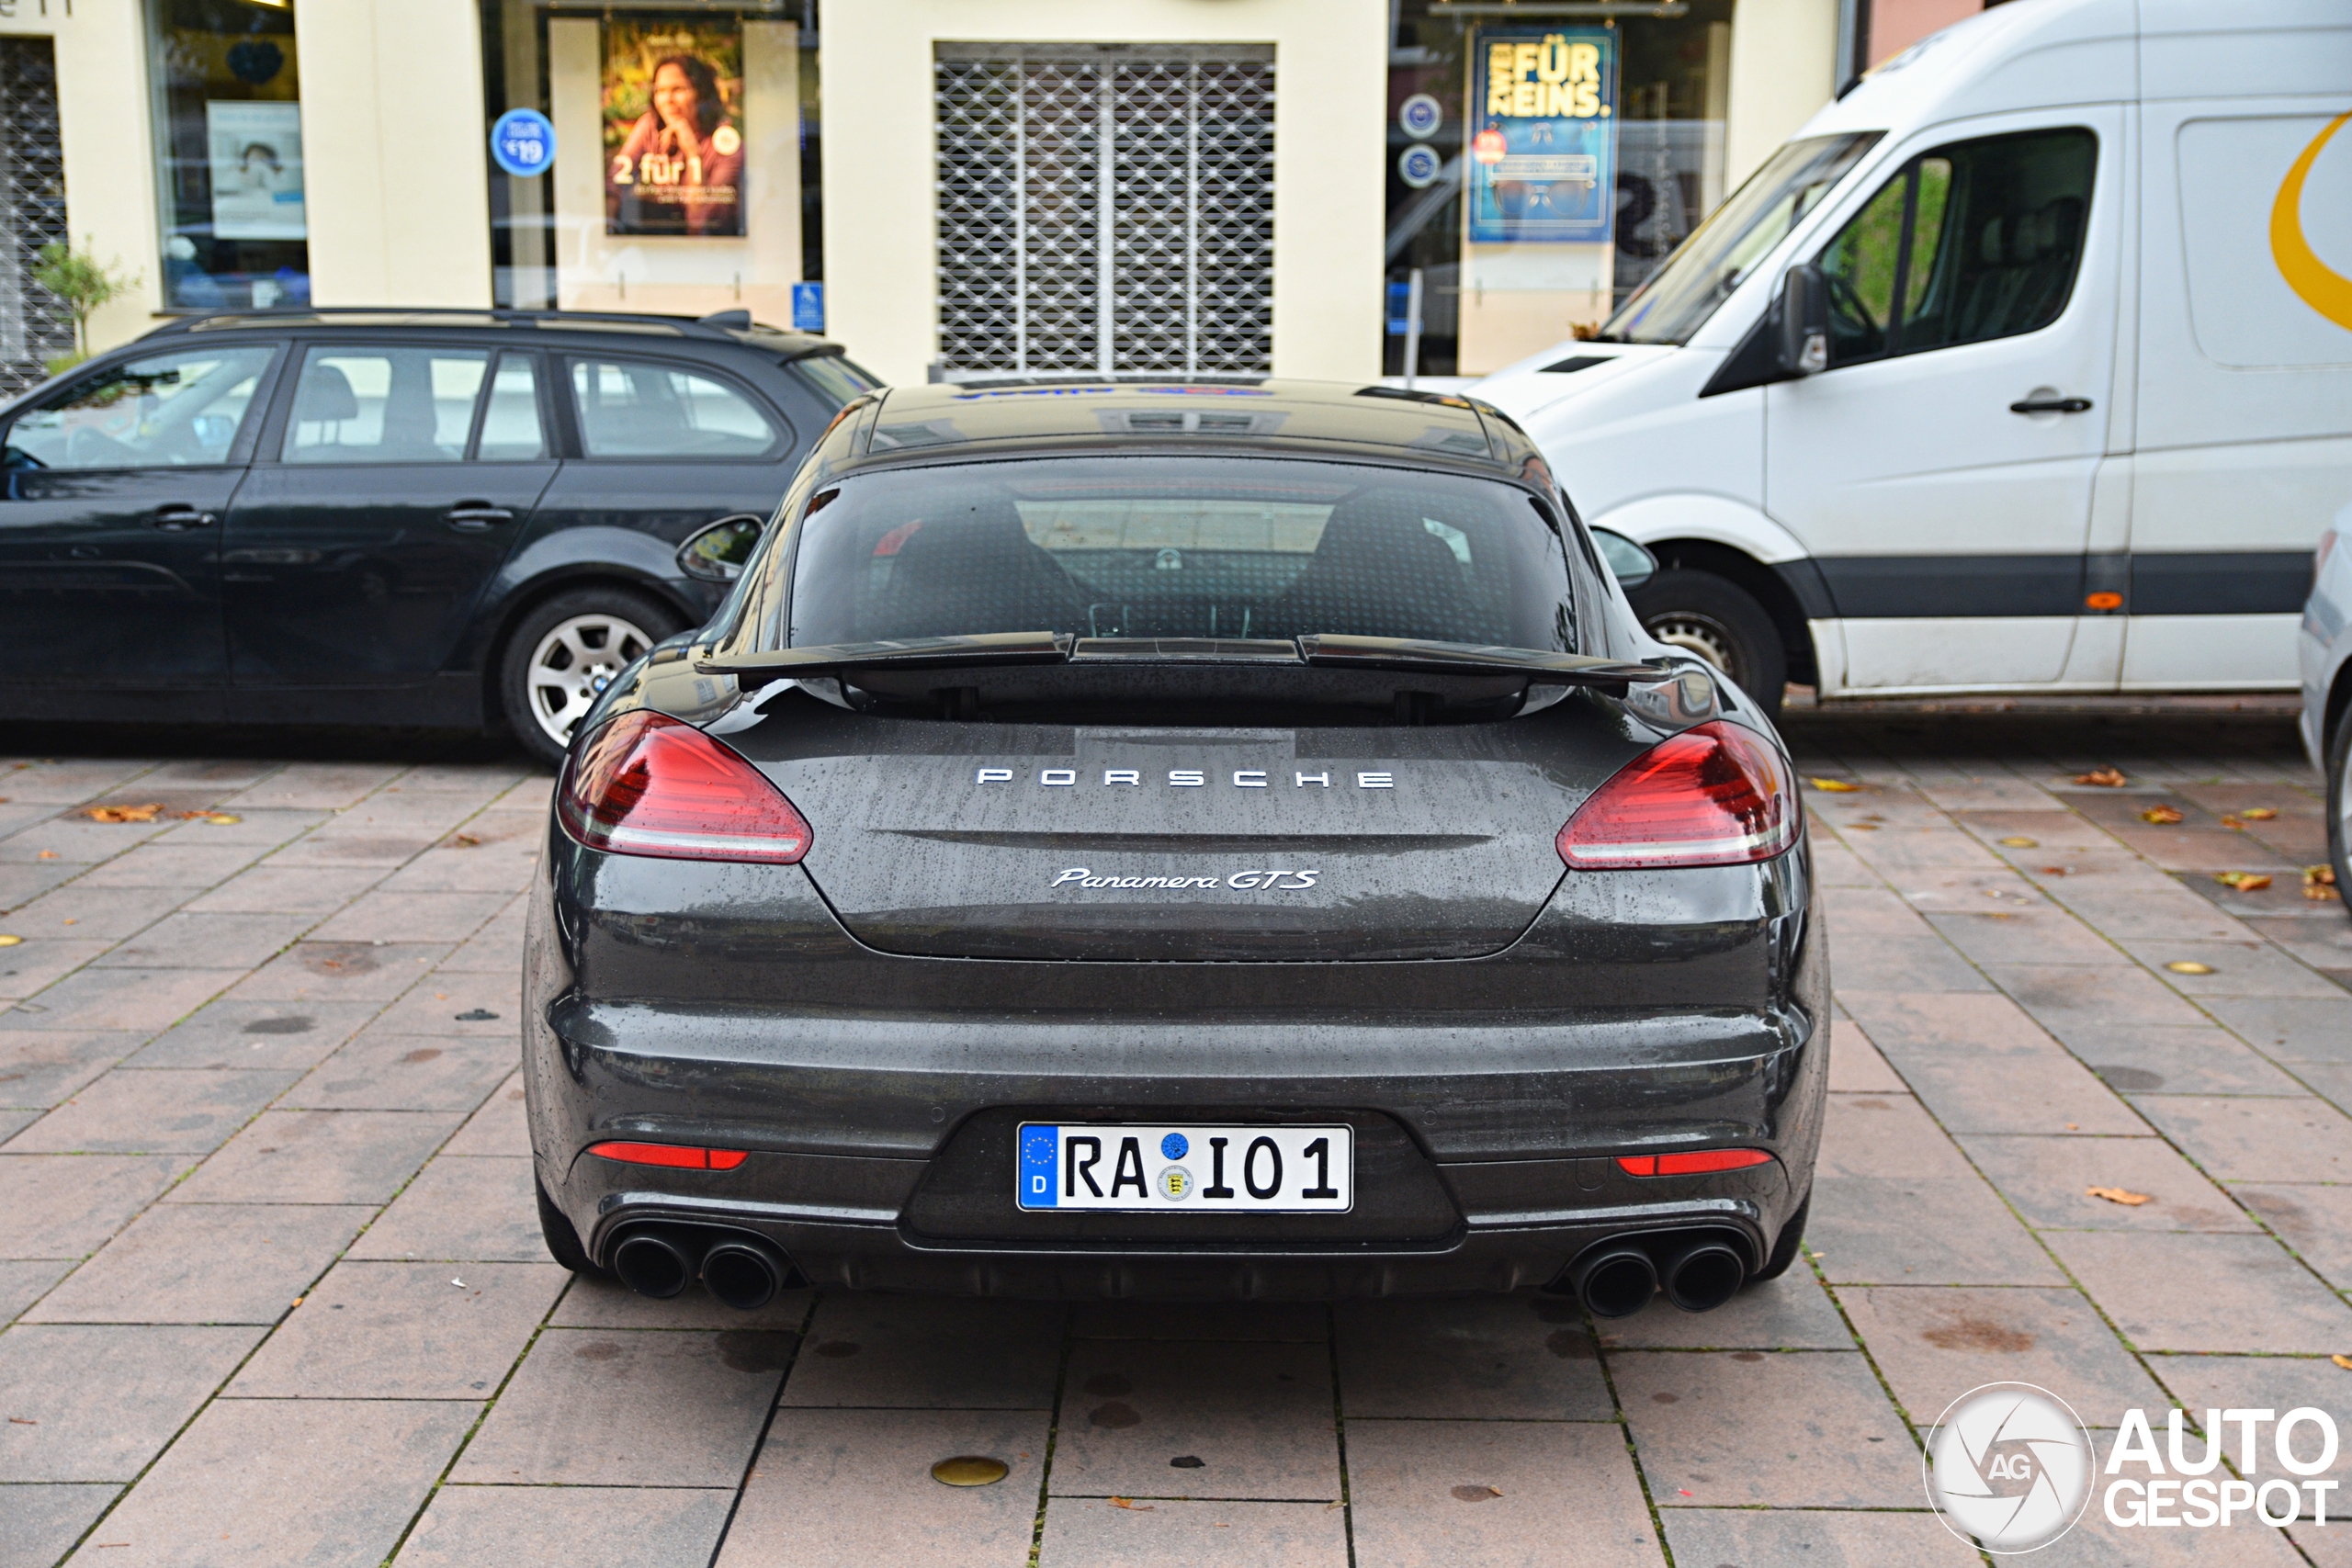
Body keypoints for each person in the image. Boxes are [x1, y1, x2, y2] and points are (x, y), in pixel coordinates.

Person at [608, 53, 744, 237]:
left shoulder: (726, 146)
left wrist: (693, 155)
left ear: (701, 94)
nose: (667, 100)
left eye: (678, 89)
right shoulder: (650, 125)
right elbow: (614, 183)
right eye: (660, 91)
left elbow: (702, 225)